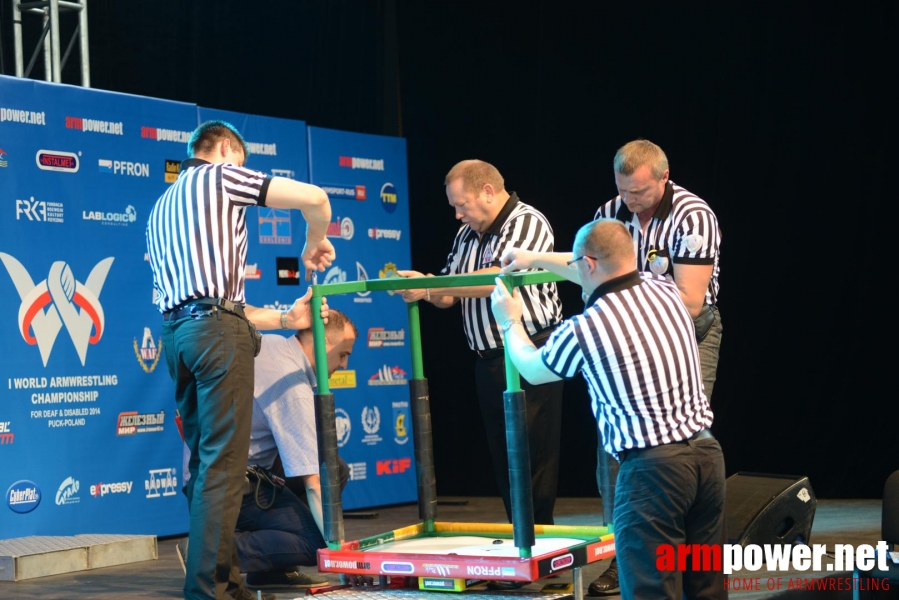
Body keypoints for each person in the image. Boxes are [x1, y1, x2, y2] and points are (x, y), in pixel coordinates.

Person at [499, 139, 722, 595]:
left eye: (639, 192)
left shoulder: (587, 328)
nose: (630, 201)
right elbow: (618, 268)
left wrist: (510, 323)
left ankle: (635, 546)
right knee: (705, 582)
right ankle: (628, 546)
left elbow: (534, 369)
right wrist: (539, 259)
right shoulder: (662, 292)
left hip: (653, 465)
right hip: (707, 456)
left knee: (650, 586)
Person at [147, 120, 334, 600]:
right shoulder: (221, 176)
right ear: (227, 149)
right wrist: (312, 243)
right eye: (242, 163)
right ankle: (208, 589)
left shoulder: (161, 207)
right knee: (223, 468)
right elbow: (317, 200)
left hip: (179, 335)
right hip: (216, 333)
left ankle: (227, 582)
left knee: (209, 466)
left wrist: (284, 319)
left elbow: (213, 300)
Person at [396, 160, 563, 589]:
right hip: (488, 359)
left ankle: (538, 559)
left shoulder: (528, 222)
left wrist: (436, 285)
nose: (457, 214)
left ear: (488, 190)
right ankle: (522, 554)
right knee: (505, 460)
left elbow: (499, 281)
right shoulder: (466, 234)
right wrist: (425, 288)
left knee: (532, 459)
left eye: (462, 205)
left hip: (531, 353)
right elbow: (450, 294)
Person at [235, 309, 357, 590]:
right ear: (323, 344)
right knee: (316, 540)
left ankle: (272, 571)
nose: (345, 364)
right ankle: (212, 550)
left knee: (334, 469)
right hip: (229, 484)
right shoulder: (292, 386)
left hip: (224, 468)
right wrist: (338, 555)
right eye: (343, 354)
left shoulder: (274, 344)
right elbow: (313, 484)